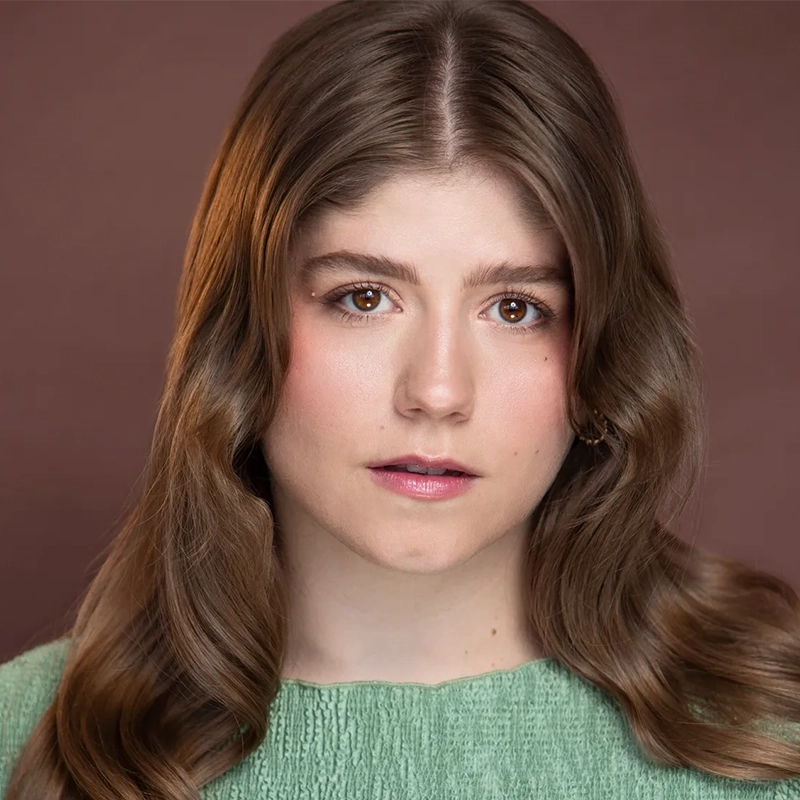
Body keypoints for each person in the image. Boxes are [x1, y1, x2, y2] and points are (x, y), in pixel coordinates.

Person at [1, 0, 799, 798]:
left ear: (600, 357)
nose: (438, 391)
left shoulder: (772, 746)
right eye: (364, 297)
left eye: (515, 309)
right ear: (243, 329)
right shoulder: (25, 738)